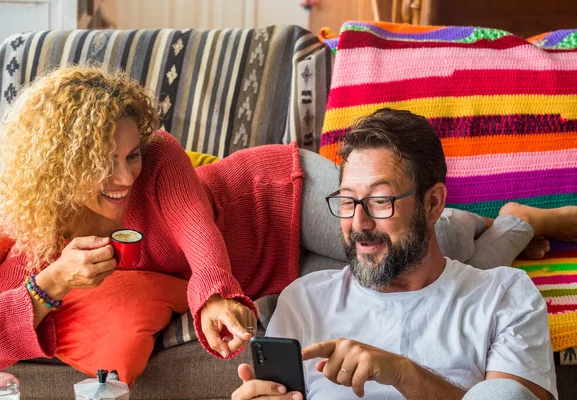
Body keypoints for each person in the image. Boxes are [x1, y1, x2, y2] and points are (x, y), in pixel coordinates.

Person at [0, 67, 567, 382]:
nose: (123, 177)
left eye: (129, 155)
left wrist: (212, 299)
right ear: (56, 166)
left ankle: (503, 214)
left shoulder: (160, 157)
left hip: (279, 198)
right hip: (281, 275)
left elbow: (197, 236)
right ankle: (515, 225)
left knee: (435, 250)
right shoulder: (39, 234)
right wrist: (49, 284)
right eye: (100, 163)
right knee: (387, 284)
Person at [232, 108, 576, 400]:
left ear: (433, 203)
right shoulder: (304, 301)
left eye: (380, 201)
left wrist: (402, 373)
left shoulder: (505, 295)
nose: (358, 222)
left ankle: (520, 221)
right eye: (348, 201)